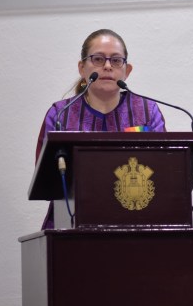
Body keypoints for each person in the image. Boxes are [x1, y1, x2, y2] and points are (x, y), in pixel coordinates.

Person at [35, 29, 166, 229]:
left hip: (136, 222)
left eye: (116, 60)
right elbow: (47, 180)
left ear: (127, 70)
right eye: (98, 59)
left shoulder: (148, 112)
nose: (107, 66)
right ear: (82, 68)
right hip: (71, 226)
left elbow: (164, 173)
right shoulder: (60, 115)